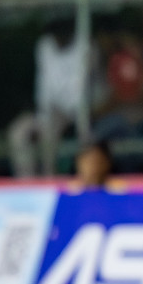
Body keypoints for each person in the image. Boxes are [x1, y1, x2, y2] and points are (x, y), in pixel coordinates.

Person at [8, 20, 88, 177]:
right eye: (54, 34)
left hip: (70, 113)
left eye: (61, 34)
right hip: (44, 113)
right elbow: (43, 86)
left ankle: (48, 179)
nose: (57, 38)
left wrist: (55, 115)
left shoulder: (84, 47)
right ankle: (26, 181)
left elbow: (77, 93)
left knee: (48, 133)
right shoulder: (44, 46)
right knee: (17, 132)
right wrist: (41, 114)